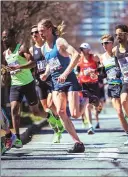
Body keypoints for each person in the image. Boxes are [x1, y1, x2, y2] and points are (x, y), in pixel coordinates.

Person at [2, 28, 59, 148]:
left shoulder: (21, 49)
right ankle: (16, 138)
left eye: (6, 37)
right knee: (14, 109)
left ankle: (49, 116)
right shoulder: (5, 53)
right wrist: (4, 73)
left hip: (28, 84)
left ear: (13, 37)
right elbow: (8, 70)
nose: (4, 39)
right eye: (3, 37)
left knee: (36, 111)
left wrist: (19, 67)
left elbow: (33, 63)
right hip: (15, 85)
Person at [38, 18, 89, 153]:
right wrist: (46, 73)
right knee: (61, 112)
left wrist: (66, 73)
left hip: (69, 79)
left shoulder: (59, 42)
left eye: (42, 31)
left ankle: (87, 100)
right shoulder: (43, 48)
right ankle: (78, 143)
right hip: (56, 82)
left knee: (75, 114)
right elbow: (51, 62)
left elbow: (76, 55)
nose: (40, 34)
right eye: (39, 31)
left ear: (49, 29)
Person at [29, 25, 64, 143]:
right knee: (46, 109)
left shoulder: (47, 47)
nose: (34, 35)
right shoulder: (31, 49)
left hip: (50, 79)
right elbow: (31, 64)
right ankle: (57, 130)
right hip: (39, 82)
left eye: (36, 32)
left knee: (50, 104)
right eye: (32, 33)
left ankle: (59, 121)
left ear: (40, 34)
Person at [99, 34, 128, 145]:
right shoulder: (102, 57)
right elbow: (103, 73)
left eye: (106, 43)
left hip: (124, 84)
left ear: (112, 43)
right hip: (112, 85)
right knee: (119, 112)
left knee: (127, 108)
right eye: (102, 44)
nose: (104, 46)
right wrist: (98, 75)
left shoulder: (117, 52)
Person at [76, 43, 100, 134]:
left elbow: (101, 68)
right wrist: (81, 75)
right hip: (84, 84)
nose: (81, 50)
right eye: (81, 49)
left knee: (96, 105)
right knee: (87, 105)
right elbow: (77, 71)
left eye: (83, 49)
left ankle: (98, 106)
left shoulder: (94, 57)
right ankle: (90, 126)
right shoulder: (79, 59)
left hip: (94, 84)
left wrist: (93, 71)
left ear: (88, 50)